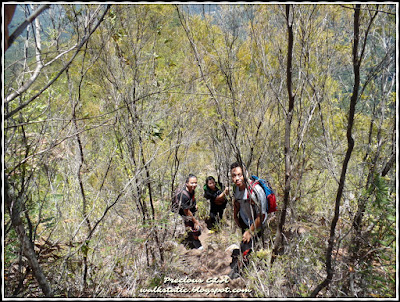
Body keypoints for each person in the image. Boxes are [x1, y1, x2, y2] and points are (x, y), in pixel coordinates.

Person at [229, 162, 268, 279]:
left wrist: (250, 231)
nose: (237, 178)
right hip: (245, 222)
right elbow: (237, 201)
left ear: (245, 174)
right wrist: (235, 216)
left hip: (257, 225)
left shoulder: (256, 190)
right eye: (234, 175)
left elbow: (262, 215)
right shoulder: (236, 188)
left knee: (254, 248)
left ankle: (249, 274)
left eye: (239, 175)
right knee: (246, 247)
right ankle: (245, 269)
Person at [178, 174, 203, 250]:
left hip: (187, 210)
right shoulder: (183, 195)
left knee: (193, 223)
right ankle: (195, 240)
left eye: (195, 183)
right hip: (181, 213)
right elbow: (186, 211)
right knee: (196, 227)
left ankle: (191, 234)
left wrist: (195, 204)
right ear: (186, 183)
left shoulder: (191, 190)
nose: (194, 185)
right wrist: (195, 222)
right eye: (192, 183)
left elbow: (193, 198)